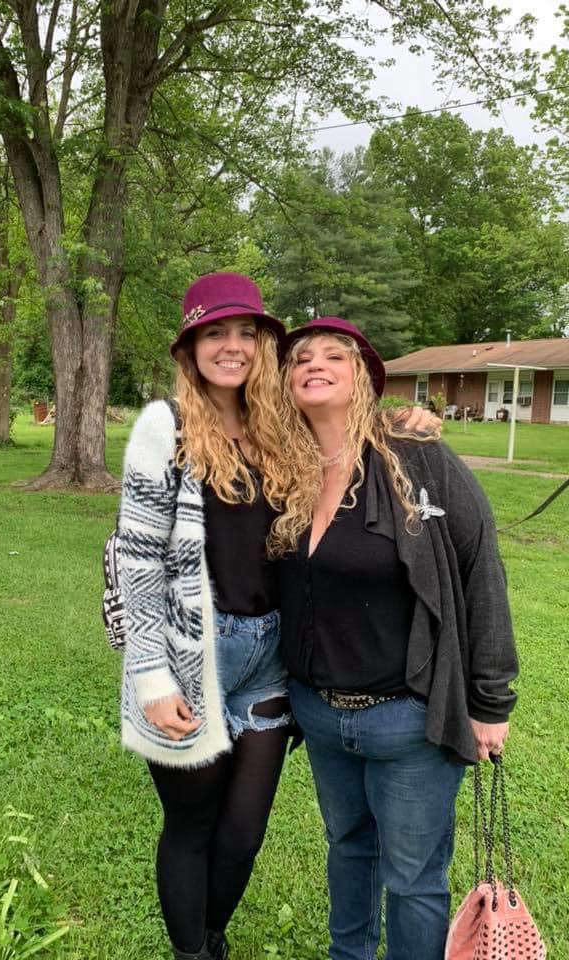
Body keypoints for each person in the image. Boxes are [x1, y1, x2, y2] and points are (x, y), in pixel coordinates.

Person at [118, 278, 438, 960]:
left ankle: (209, 938)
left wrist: (407, 420)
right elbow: (137, 559)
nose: (230, 347)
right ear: (191, 348)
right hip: (186, 656)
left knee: (243, 833)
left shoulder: (279, 430)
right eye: (214, 333)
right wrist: (150, 677)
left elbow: (346, 426)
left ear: (264, 346)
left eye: (245, 334)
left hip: (268, 661)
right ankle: (197, 952)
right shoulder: (163, 427)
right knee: (193, 824)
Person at [270, 317, 519, 960]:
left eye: (333, 355)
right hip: (321, 714)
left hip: (411, 718)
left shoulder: (419, 460)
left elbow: (479, 567)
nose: (314, 364)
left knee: (412, 879)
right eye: (300, 359)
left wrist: (490, 701)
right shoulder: (283, 472)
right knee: (348, 849)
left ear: (363, 378)